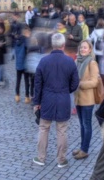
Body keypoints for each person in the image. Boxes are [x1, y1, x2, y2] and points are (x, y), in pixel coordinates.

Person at [32, 33, 79, 168]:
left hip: (47, 99)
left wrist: (37, 102)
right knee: (62, 130)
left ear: (53, 45)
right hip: (63, 98)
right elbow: (75, 83)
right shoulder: (70, 61)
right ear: (63, 45)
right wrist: (66, 90)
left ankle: (41, 157)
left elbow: (38, 84)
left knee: (43, 129)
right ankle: (61, 159)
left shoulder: (44, 61)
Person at [73, 40, 99, 160]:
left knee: (86, 124)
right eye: (81, 47)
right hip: (78, 98)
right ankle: (82, 146)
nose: (82, 49)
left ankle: (85, 150)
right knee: (82, 125)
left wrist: (80, 83)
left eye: (85, 48)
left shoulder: (92, 63)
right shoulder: (77, 61)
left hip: (88, 99)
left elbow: (95, 81)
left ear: (89, 50)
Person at [14, 27, 31, 103]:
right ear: (27, 32)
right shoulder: (26, 40)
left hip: (18, 63)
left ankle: (17, 95)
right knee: (26, 81)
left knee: (18, 80)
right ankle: (27, 97)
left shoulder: (17, 40)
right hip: (25, 63)